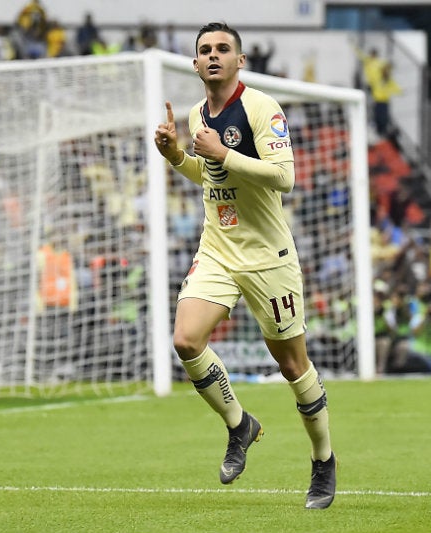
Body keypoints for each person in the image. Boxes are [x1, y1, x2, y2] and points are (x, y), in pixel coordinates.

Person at [154, 22, 336, 510]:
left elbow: (284, 178)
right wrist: (177, 156)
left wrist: (224, 153)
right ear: (195, 64)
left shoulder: (261, 107)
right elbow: (209, 174)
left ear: (240, 60)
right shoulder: (196, 113)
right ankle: (240, 425)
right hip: (217, 247)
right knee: (186, 340)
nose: (213, 56)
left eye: (222, 49)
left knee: (292, 365)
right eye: (204, 51)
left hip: (266, 258)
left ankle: (323, 459)